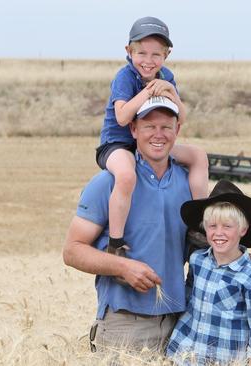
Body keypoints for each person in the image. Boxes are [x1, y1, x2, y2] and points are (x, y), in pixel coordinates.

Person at [63, 96, 194, 352]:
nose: (158, 134)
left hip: (182, 324)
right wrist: (123, 267)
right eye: (149, 126)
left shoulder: (189, 183)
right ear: (133, 129)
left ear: (177, 130)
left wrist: (238, 258)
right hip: (124, 324)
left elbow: (200, 244)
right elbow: (72, 250)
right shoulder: (108, 183)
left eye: (166, 127)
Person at [96, 16, 208, 256]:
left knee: (198, 156)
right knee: (126, 176)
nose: (148, 61)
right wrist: (148, 92)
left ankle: (200, 223)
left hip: (149, 142)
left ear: (166, 55)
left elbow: (182, 118)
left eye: (156, 55)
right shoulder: (125, 77)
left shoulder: (166, 76)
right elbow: (123, 117)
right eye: (142, 54)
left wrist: (170, 92)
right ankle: (115, 243)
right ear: (129, 51)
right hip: (118, 145)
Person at [166, 180, 251, 365]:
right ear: (204, 228)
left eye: (227, 226)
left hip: (223, 360)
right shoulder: (197, 260)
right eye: (212, 226)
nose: (219, 233)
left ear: (243, 229)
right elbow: (188, 298)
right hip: (182, 355)